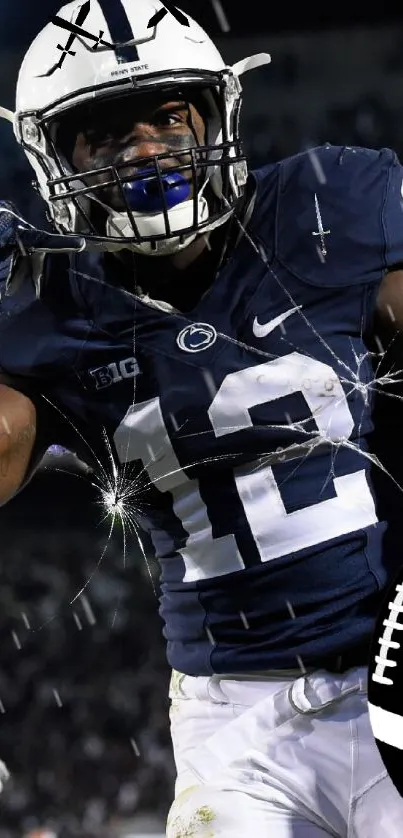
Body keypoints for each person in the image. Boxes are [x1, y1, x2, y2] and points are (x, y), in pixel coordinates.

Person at [1, 1, 403, 835]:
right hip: (235, 725)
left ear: (217, 112)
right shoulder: (44, 305)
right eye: (105, 132)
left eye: (166, 115)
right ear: (52, 156)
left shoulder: (330, 209)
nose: (146, 149)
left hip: (387, 663)